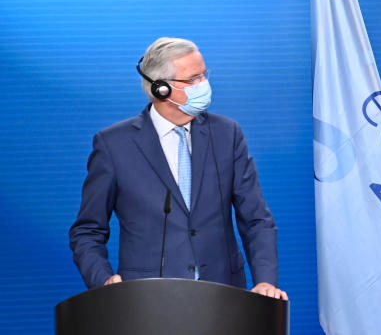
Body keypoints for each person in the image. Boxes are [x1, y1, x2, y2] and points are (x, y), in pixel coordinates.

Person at [69, 37, 287, 299]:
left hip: (224, 297)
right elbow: (87, 231)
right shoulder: (114, 145)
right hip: (146, 302)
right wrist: (104, 281)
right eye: (193, 79)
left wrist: (265, 281)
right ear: (161, 88)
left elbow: (256, 220)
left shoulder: (227, 134)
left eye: (204, 75)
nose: (203, 85)